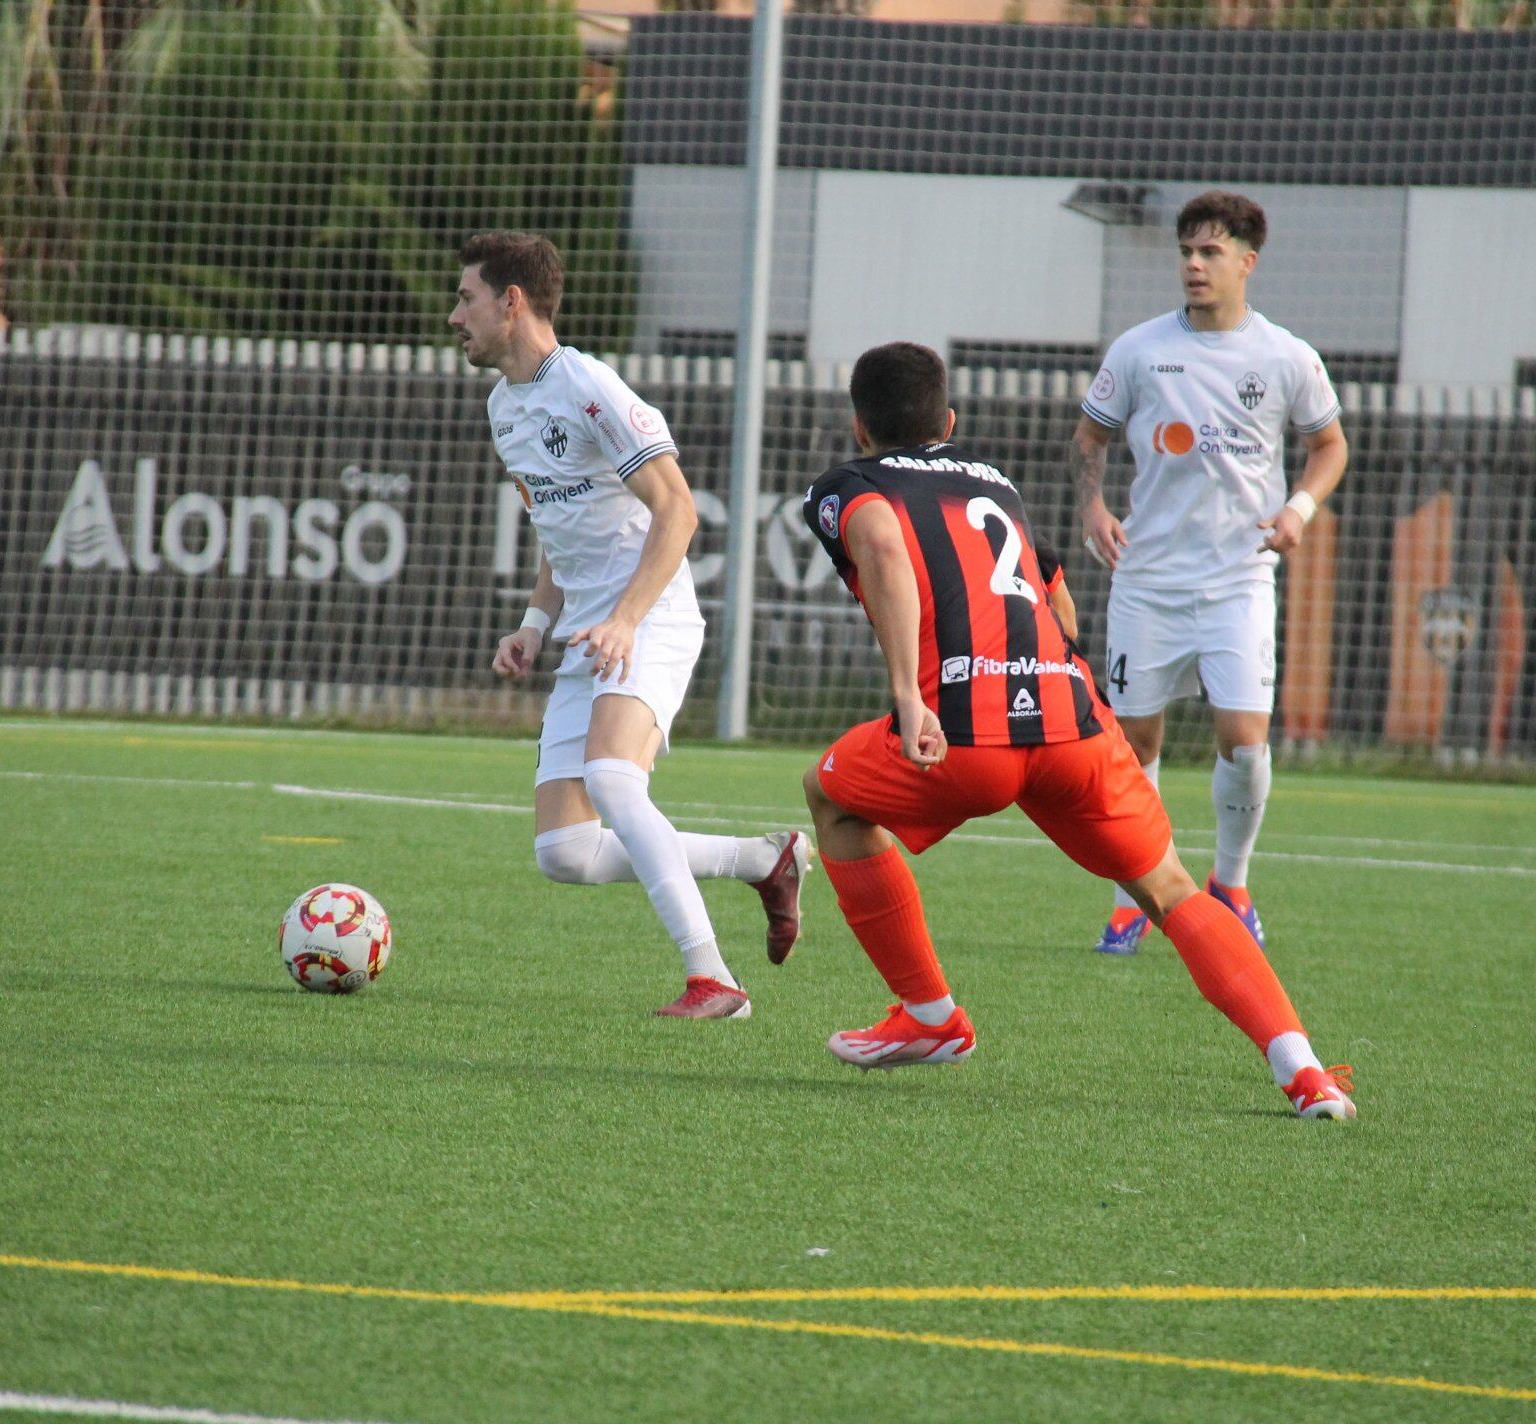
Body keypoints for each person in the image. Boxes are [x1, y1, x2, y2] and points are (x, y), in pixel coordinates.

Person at [800, 340, 1353, 1118]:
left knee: (831, 800)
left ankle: (930, 1018)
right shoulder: (994, 483)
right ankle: (1306, 1073)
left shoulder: (849, 485)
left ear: (860, 429)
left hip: (960, 738)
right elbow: (1054, 599)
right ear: (949, 422)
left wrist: (908, 696)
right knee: (1171, 890)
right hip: (1073, 724)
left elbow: (884, 546)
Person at [453, 230, 810, 1018]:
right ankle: (764, 858)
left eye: (467, 297)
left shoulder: (588, 387)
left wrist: (623, 618)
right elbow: (559, 526)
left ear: (512, 303)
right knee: (566, 853)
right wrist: (534, 625)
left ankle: (714, 979)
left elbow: (676, 509)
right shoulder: (502, 404)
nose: (456, 316)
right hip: (591, 628)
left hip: (650, 618)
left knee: (615, 780)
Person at [1073, 191, 1349, 956]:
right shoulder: (1138, 349)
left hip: (1238, 580)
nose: (1194, 266)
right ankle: (1134, 897)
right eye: (1187, 252)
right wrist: (1094, 511)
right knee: (1133, 745)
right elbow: (1088, 440)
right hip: (1148, 581)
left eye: (1211, 253)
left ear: (1246, 263)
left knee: (1245, 740)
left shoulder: (1286, 356)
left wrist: (1297, 509)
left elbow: (1330, 446)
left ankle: (1231, 884)